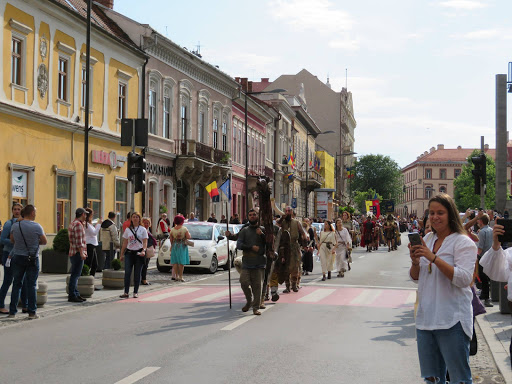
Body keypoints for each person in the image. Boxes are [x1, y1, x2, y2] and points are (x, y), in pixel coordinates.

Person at [409, 194, 476, 384]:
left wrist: (433, 258)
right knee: (432, 379)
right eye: (432, 213)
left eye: (440, 212)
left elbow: (464, 279)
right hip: (426, 320)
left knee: (459, 379)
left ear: (451, 215)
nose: (435, 217)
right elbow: (416, 277)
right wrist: (415, 262)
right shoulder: (428, 238)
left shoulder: (463, 242)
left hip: (452, 320)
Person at [8, 205, 47, 319]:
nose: (36, 214)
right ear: (31, 213)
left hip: (18, 256)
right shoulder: (37, 226)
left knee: (16, 284)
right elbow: (44, 241)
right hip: (32, 258)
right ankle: (32, 312)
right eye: (35, 212)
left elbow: (12, 240)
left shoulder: (15, 225)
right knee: (31, 285)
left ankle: (12, 312)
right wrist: (34, 243)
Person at [237, 209, 266, 315]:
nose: (252, 216)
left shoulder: (262, 230)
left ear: (258, 216)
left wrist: (262, 235)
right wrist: (251, 247)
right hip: (247, 262)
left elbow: (269, 243)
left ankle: (255, 307)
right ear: (248, 217)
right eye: (250, 215)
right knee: (244, 282)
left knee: (257, 286)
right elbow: (239, 245)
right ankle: (249, 301)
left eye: (254, 215)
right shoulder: (245, 230)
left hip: (259, 262)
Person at [0, 203, 27, 314]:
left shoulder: (25, 224)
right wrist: (14, 242)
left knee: (23, 280)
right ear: (12, 211)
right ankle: (1, 305)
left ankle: (25, 305)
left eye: (19, 209)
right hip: (9, 254)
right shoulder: (9, 223)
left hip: (21, 254)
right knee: (8, 280)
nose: (17, 211)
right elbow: (2, 239)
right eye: (15, 209)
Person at [278, 206, 307, 292]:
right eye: (286, 211)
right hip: (284, 247)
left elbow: (303, 233)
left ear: (292, 212)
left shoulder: (296, 222)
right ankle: (287, 287)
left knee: (295, 266)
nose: (287, 212)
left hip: (294, 246)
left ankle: (294, 285)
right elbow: (276, 227)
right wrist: (281, 219)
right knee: (285, 267)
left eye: (289, 211)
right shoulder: (282, 222)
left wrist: (305, 243)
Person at [120, 212, 148, 298]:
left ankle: (135, 292)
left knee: (137, 273)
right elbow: (125, 243)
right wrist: (121, 254)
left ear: (139, 219)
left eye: (137, 217)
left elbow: (145, 242)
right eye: (133, 217)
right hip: (129, 253)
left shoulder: (143, 229)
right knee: (127, 273)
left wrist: (143, 250)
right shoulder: (128, 230)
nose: (135, 218)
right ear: (131, 219)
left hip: (139, 253)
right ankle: (126, 292)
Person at [68, 208, 88, 303]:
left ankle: (76, 293)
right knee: (75, 275)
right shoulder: (78, 225)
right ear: (82, 214)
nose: (86, 216)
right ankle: (72, 295)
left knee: (75, 274)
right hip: (77, 253)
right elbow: (79, 242)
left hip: (72, 252)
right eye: (85, 214)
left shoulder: (73, 223)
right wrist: (82, 253)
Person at [476, 213, 493, 307]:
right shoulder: (491, 230)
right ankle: (484, 294)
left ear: (481, 221)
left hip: (483, 257)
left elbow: (480, 247)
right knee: (487, 277)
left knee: (483, 277)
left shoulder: (482, 232)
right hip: (490, 256)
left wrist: (476, 256)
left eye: (478, 220)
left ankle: (486, 296)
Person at [170, 215, 190, 282]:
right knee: (181, 262)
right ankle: (181, 276)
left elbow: (171, 239)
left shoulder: (172, 229)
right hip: (182, 245)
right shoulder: (184, 229)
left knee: (175, 261)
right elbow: (188, 236)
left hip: (175, 245)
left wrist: (172, 245)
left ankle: (176, 276)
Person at [84, 208, 101, 278]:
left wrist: (97, 224)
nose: (92, 216)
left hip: (92, 244)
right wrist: (99, 225)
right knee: (89, 263)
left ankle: (91, 279)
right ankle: (87, 278)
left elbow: (93, 231)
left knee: (94, 264)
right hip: (89, 244)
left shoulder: (89, 224)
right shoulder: (86, 224)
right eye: (92, 215)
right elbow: (94, 233)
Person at [141, 217, 157, 286]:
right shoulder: (142, 230)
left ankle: (143, 279)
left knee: (146, 265)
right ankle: (143, 279)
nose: (146, 224)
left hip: (148, 250)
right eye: (145, 223)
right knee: (143, 265)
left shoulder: (148, 230)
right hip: (144, 249)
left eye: (147, 223)